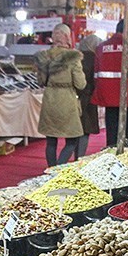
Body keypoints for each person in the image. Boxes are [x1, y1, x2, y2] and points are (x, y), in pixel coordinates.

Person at [35, 24, 86, 167]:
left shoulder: (44, 56)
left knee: (51, 141)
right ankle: (58, 168)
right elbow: (80, 84)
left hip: (50, 98)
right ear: (67, 37)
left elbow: (41, 81)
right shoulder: (73, 57)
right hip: (67, 100)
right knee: (72, 139)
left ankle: (50, 169)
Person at [91, 20, 128, 147]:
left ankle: (110, 156)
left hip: (109, 99)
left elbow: (96, 75)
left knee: (112, 132)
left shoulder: (101, 48)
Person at [75, 34, 101, 160]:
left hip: (76, 97)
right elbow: (95, 79)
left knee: (76, 130)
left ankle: (76, 157)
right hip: (88, 98)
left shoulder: (76, 57)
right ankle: (79, 158)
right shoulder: (94, 59)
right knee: (85, 130)